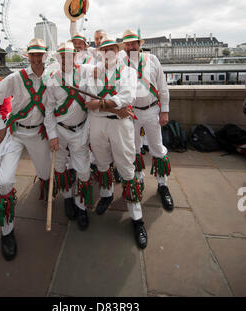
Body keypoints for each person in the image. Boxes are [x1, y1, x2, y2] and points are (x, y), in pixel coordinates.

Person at [0, 38, 52, 261]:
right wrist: (0, 127)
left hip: (39, 133)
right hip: (15, 133)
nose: (36, 58)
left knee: (46, 174)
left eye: (40, 54)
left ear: (45, 55)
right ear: (28, 56)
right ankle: (7, 231)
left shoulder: (53, 77)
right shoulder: (16, 78)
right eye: (32, 54)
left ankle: (51, 192)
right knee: (4, 182)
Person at [85, 36, 148, 249]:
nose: (109, 52)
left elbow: (127, 97)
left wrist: (101, 103)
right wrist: (112, 106)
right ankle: (106, 194)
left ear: (117, 51)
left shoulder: (128, 72)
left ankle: (137, 218)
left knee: (126, 167)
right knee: (102, 163)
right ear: (100, 53)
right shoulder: (92, 72)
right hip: (98, 125)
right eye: (105, 49)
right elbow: (88, 103)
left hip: (120, 126)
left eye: (112, 48)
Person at [121, 29, 174, 211]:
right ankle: (139, 180)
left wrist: (164, 111)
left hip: (152, 110)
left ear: (139, 44)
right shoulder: (121, 63)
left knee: (157, 147)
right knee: (134, 148)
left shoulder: (152, 60)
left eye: (133, 43)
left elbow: (162, 86)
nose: (130, 47)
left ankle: (162, 185)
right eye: (127, 44)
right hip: (132, 113)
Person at [44, 41, 93, 230]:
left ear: (76, 56)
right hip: (60, 131)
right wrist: (52, 135)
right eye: (63, 56)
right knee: (59, 167)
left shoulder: (86, 75)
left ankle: (81, 206)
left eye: (71, 55)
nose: (67, 58)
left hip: (81, 130)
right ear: (59, 58)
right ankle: (67, 198)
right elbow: (48, 110)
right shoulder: (52, 79)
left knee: (83, 170)